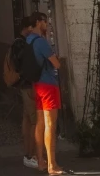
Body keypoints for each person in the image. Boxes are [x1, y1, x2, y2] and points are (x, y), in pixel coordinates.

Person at [26, 12, 63, 176]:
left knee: (40, 123)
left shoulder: (28, 40)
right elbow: (56, 64)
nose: (46, 24)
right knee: (50, 125)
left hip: (37, 85)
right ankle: (52, 165)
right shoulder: (41, 42)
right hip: (48, 85)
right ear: (38, 22)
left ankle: (40, 161)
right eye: (45, 22)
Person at [10, 16, 38, 169]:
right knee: (33, 121)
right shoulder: (22, 44)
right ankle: (30, 155)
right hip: (27, 85)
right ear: (29, 28)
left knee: (27, 120)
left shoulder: (18, 42)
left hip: (23, 85)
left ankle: (29, 154)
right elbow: (26, 65)